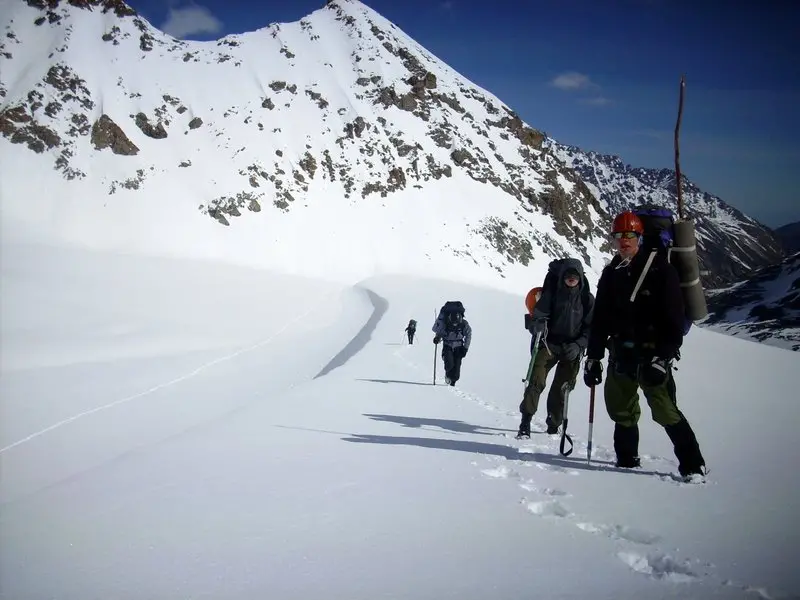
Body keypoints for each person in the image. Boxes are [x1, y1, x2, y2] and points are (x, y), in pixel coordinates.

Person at [583, 210, 706, 481]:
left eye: (629, 235)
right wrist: (592, 357)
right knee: (621, 410)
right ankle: (626, 462)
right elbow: (600, 319)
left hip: (652, 355)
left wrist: (662, 357)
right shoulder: (611, 272)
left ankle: (693, 466)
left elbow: (674, 318)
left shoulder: (662, 269)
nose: (623, 241)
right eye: (619, 235)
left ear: (640, 236)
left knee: (665, 411)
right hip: (620, 355)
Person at [517, 259, 594, 438]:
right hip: (548, 344)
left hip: (571, 348)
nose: (571, 279)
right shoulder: (551, 294)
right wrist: (538, 325)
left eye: (574, 277)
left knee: (562, 388)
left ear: (580, 278)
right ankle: (525, 420)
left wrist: (579, 344)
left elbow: (591, 329)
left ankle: (554, 424)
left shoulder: (586, 299)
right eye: (568, 276)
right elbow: (538, 315)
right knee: (536, 381)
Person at [432, 302, 472, 386]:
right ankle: (448, 375)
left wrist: (465, 348)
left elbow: (468, 334)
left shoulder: (463, 324)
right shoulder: (446, 322)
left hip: (459, 347)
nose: (455, 324)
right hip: (448, 346)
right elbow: (440, 332)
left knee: (456, 373)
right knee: (449, 365)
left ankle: (453, 381)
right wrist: (437, 338)